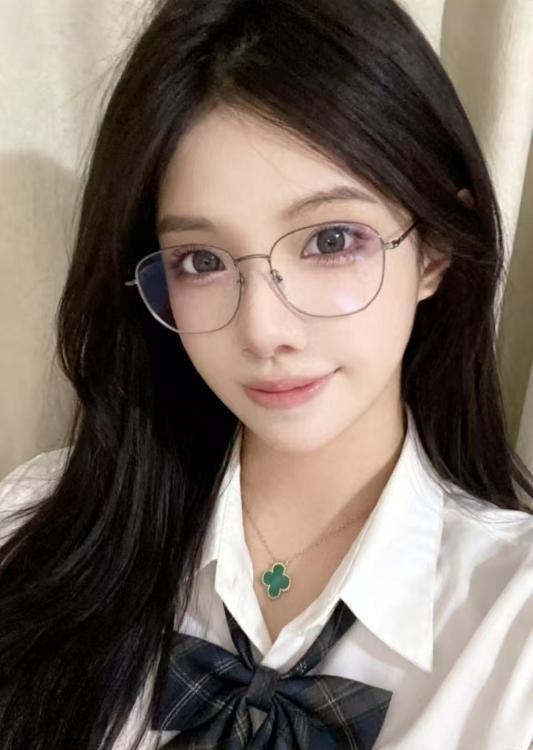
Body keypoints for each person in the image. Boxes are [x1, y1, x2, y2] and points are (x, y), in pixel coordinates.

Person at [1, 0, 532, 748]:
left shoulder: (513, 626)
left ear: (435, 249)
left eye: (331, 241)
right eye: (202, 261)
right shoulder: (31, 528)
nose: (263, 331)